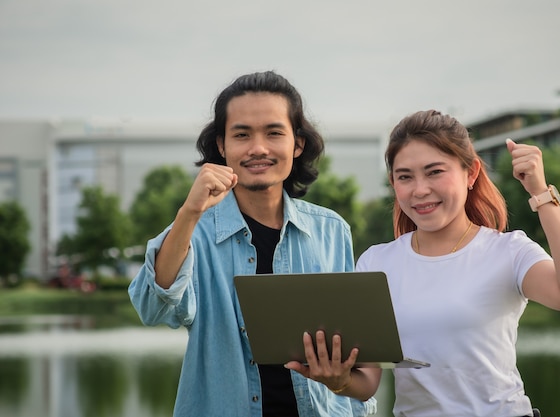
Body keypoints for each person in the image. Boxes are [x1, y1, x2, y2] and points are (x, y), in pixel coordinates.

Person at [128, 71, 380, 417]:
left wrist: (338, 377)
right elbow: (154, 308)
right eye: (242, 134)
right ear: (222, 145)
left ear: (297, 144)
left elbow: (357, 355)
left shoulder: (331, 230)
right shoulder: (194, 231)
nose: (258, 148)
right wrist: (189, 212)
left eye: (274, 133)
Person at [355, 109, 560, 417]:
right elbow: (366, 380)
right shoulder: (376, 262)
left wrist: (541, 193)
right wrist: (336, 378)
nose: (420, 190)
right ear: (393, 183)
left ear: (470, 173)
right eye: (405, 177)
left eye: (435, 172)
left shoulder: (508, 251)